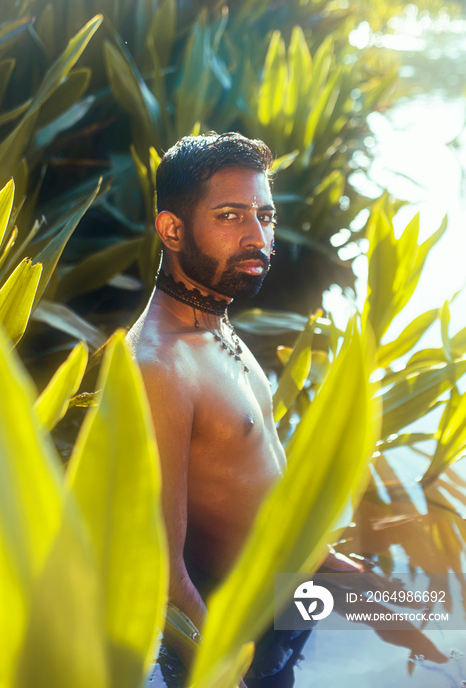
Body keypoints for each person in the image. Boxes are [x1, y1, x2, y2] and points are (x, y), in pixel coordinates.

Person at [127, 132, 359, 687]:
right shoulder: (160, 367)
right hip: (232, 639)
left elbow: (256, 485)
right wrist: (224, 671)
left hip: (290, 602)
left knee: (438, 621)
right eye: (231, 216)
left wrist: (352, 576)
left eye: (265, 215)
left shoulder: (213, 320)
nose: (258, 237)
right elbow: (164, 572)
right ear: (172, 229)